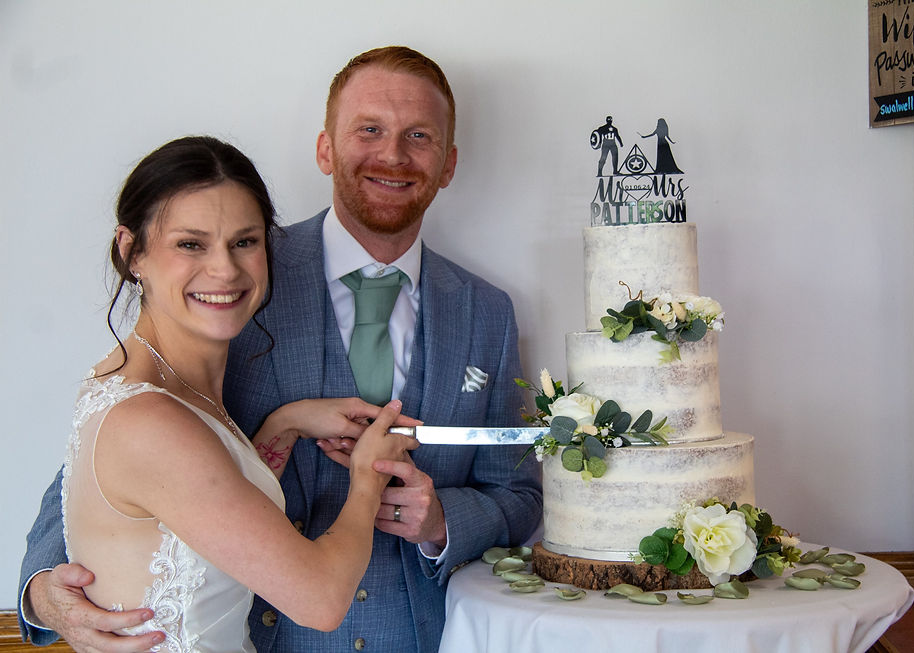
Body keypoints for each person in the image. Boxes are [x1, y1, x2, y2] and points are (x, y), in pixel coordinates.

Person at [20, 46, 543, 653]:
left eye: (418, 136)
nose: (393, 154)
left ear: (447, 163)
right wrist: (43, 592)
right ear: (325, 148)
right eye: (368, 129)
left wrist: (442, 522)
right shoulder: (232, 281)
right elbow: (107, 448)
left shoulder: (487, 312)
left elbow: (518, 493)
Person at [22, 134, 422, 652]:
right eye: (191, 244)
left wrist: (286, 423)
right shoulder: (147, 420)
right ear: (131, 251)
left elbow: (200, 511)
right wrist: (369, 477)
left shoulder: (143, 380)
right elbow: (320, 600)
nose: (225, 270)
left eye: (244, 242)